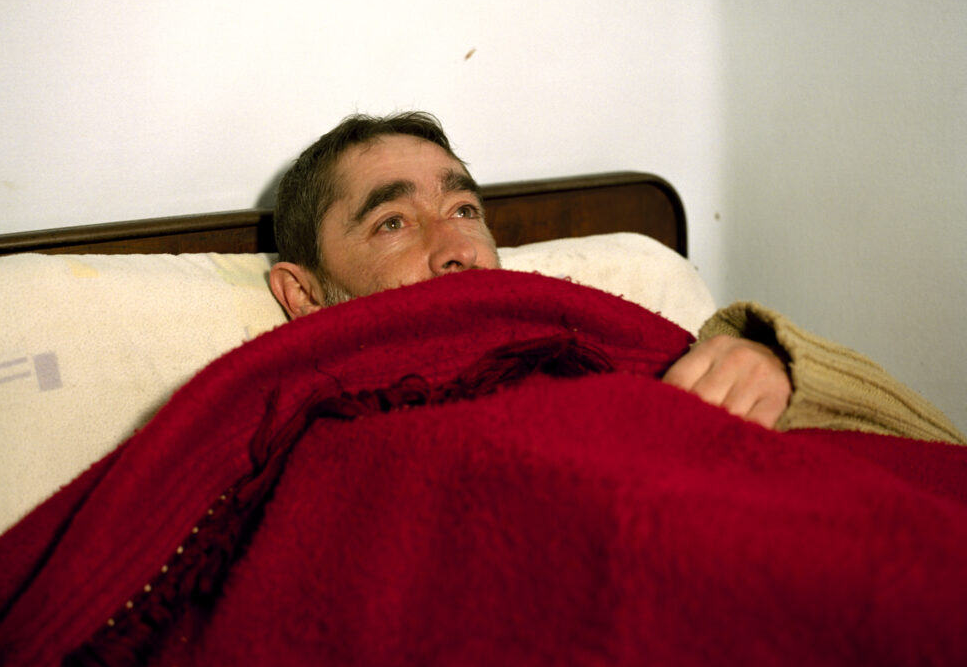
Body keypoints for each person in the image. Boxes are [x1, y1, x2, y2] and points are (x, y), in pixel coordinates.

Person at [269, 111, 965, 444]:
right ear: (302, 294)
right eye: (393, 221)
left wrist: (792, 376)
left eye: (464, 209)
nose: (457, 248)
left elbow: (938, 449)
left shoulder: (606, 347)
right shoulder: (304, 437)